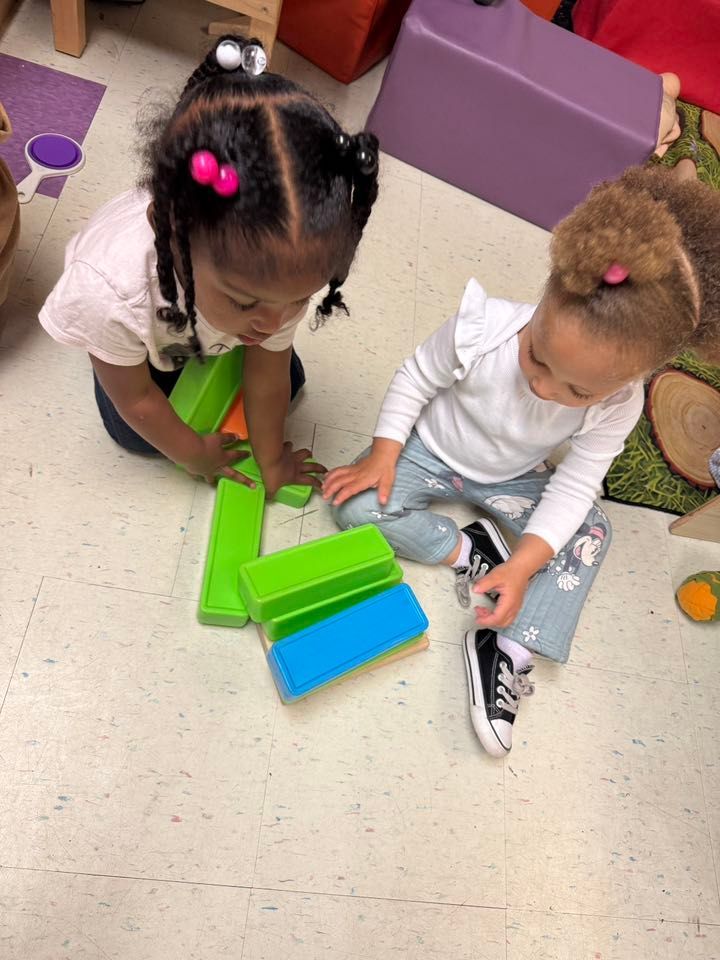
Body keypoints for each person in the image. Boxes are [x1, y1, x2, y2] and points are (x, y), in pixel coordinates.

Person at [324, 165, 720, 758]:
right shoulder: (480, 329)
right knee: (354, 505)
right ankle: (470, 551)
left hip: (514, 478)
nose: (545, 389)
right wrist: (385, 451)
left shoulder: (620, 402)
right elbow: (414, 378)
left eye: (577, 392)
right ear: (546, 295)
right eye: (537, 358)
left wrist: (529, 563)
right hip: (431, 450)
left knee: (590, 531)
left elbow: (576, 483)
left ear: (631, 379)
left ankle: (508, 647)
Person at [39, 36, 379, 495]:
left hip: (201, 320)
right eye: (246, 300)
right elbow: (136, 399)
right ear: (176, 238)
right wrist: (194, 453)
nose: (276, 320)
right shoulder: (110, 290)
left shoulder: (275, 277)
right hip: (144, 340)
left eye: (300, 298)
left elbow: (269, 369)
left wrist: (273, 459)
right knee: (134, 433)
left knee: (287, 380)